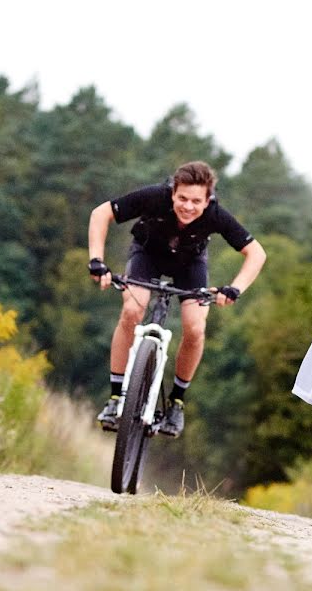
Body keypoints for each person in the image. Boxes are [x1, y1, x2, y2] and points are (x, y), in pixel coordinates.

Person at [88, 161, 266, 437]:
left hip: (189, 265)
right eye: (182, 198)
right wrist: (97, 261)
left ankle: (176, 403)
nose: (188, 206)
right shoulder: (155, 197)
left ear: (208, 201)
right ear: (172, 193)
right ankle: (115, 398)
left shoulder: (216, 215)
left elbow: (256, 253)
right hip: (147, 255)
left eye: (196, 201)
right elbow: (101, 214)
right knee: (132, 311)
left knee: (195, 327)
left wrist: (235, 288)